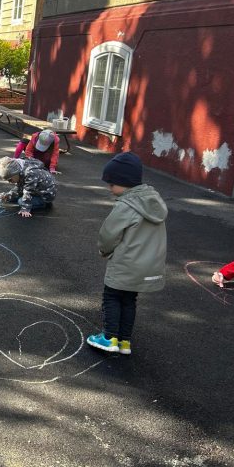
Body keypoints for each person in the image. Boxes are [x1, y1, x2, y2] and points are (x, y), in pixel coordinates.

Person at [87, 152, 167, 355]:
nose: (110, 188)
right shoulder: (153, 203)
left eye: (112, 184)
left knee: (112, 297)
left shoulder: (126, 206)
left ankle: (109, 337)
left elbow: (109, 234)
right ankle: (124, 341)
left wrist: (104, 250)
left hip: (126, 263)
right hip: (146, 264)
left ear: (124, 183)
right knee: (129, 300)